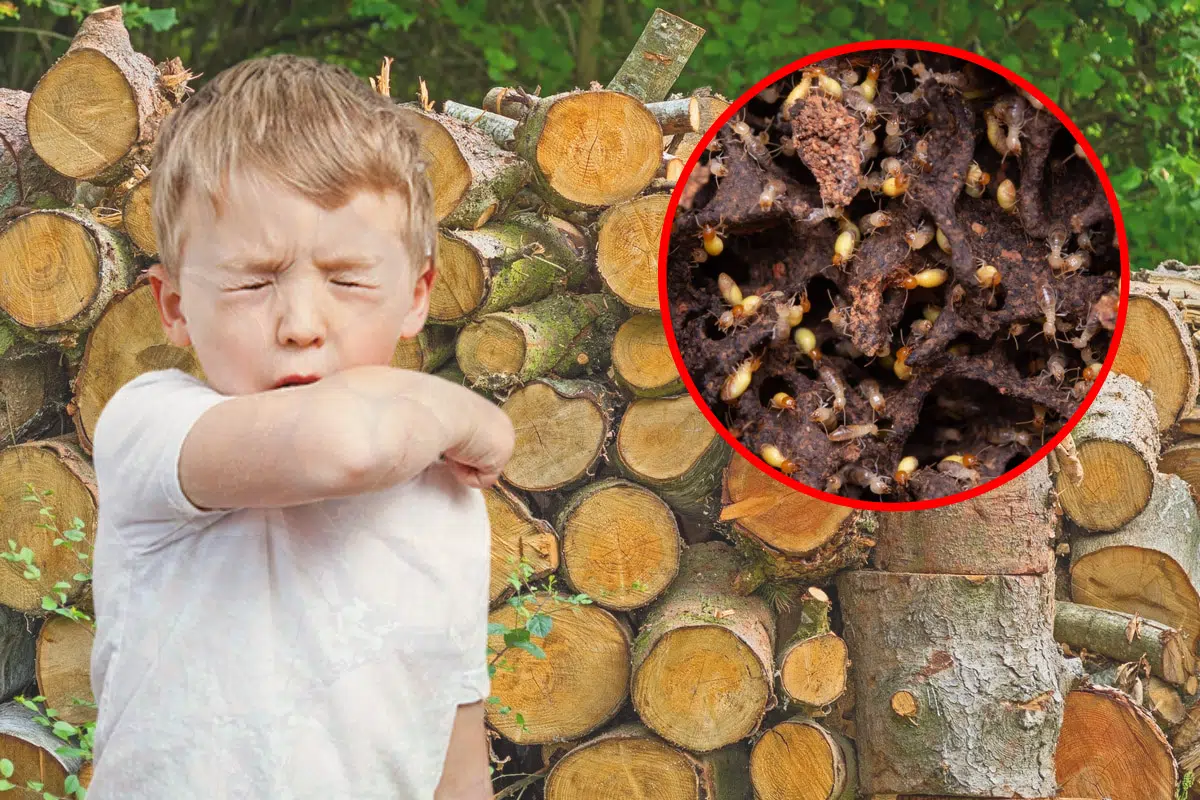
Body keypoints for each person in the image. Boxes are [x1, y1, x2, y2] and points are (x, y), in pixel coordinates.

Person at [86, 53, 515, 799]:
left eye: (347, 280)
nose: (301, 325)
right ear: (176, 306)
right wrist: (466, 410)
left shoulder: (447, 501)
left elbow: (455, 743)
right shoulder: (155, 427)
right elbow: (341, 444)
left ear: (417, 295)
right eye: (254, 282)